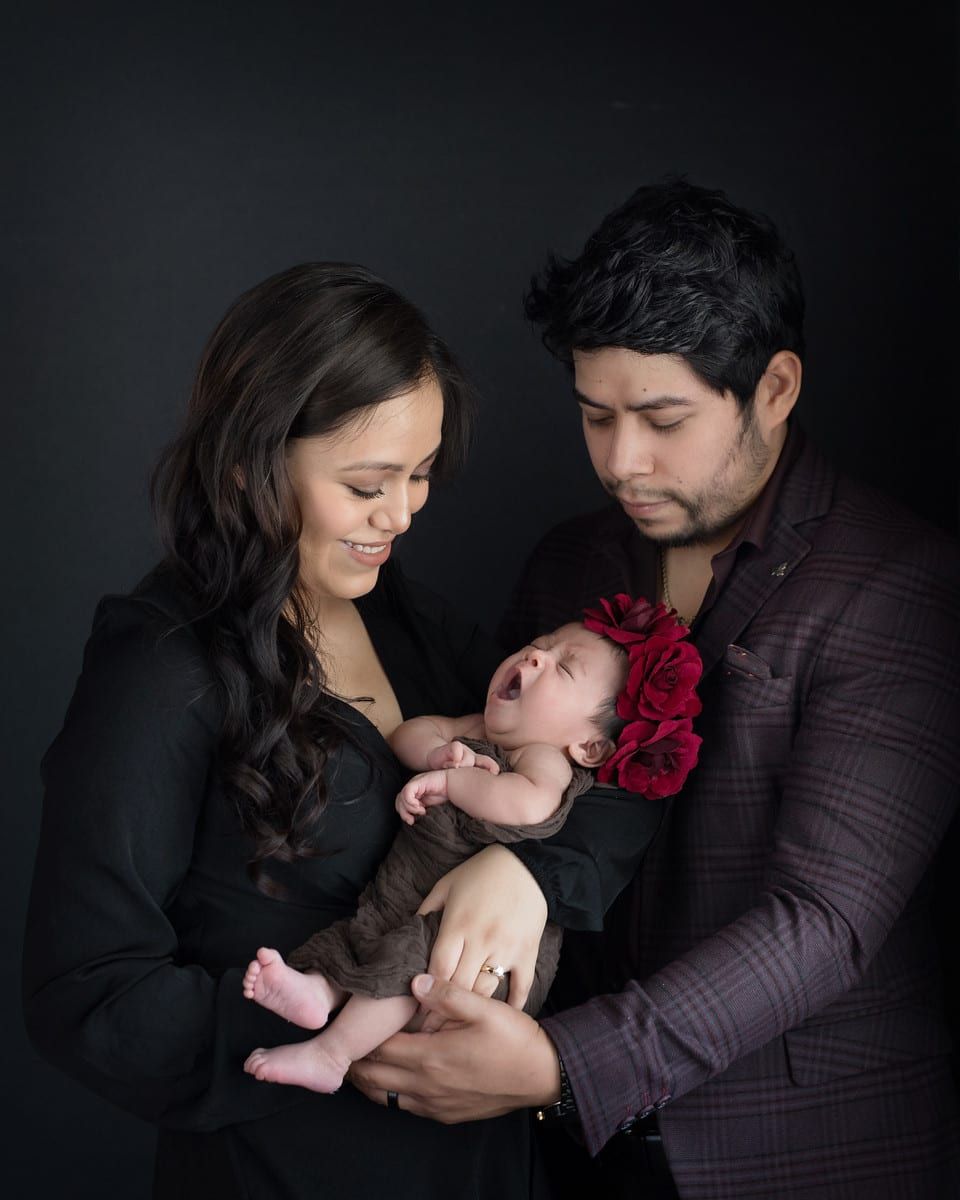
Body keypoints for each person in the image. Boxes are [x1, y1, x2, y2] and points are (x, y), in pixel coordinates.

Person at [348, 181, 960, 1198]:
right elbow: (508, 773)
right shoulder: (571, 565)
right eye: (596, 417)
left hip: (807, 1156)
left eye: (663, 419)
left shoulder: (895, 584)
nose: (622, 461)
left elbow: (824, 921)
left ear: (775, 388)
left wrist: (562, 1067)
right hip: (571, 1160)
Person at [20, 262, 663, 1200]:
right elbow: (87, 993)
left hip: (481, 1168)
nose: (400, 514)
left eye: (421, 474)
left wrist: (529, 877)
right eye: (367, 484)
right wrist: (339, 1027)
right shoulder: (161, 668)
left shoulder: (407, 621)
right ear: (250, 467)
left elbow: (612, 778)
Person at [240, 613, 644, 1094]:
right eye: (541, 644)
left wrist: (454, 781)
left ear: (590, 748)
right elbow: (407, 734)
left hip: (478, 943)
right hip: (420, 891)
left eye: (564, 667)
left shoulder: (545, 759)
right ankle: (320, 991)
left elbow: (527, 804)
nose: (536, 655)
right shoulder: (475, 727)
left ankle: (332, 1055)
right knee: (367, 932)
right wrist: (437, 752)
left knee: (413, 962)